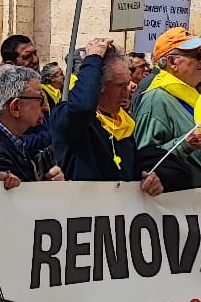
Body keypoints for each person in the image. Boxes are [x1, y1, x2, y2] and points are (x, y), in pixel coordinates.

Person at [47, 38, 163, 194]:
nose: (127, 93)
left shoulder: (123, 121)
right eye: (120, 86)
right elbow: (83, 106)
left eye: (127, 84)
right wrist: (93, 59)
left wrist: (145, 178)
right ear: (99, 86)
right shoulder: (71, 119)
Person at [134, 28, 201, 190]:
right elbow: (145, 160)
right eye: (197, 55)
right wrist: (186, 144)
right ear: (172, 62)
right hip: (179, 200)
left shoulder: (190, 96)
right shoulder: (157, 99)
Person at [0, 66, 60, 185]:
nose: (45, 106)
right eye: (40, 99)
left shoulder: (6, 138)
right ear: (16, 107)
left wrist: (47, 184)